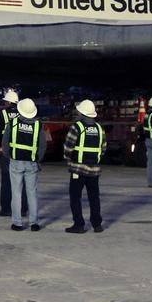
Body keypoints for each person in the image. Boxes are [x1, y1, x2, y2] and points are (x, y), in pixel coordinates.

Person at [3, 98, 45, 231]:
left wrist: (9, 155)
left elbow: (5, 142)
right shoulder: (38, 126)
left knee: (16, 193)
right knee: (32, 193)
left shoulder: (13, 123)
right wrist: (37, 160)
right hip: (32, 163)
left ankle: (17, 223)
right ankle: (34, 223)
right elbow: (43, 146)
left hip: (15, 162)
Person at [63, 99, 105, 234]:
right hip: (94, 169)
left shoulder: (76, 127)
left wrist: (69, 159)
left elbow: (68, 147)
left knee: (75, 197)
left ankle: (79, 225)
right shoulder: (99, 128)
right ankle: (97, 224)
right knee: (94, 198)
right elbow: (103, 148)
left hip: (77, 169)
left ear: (82, 113)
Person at [0, 89, 22, 217]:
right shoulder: (22, 114)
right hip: (21, 152)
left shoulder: (2, 114)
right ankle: (23, 208)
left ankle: (6, 209)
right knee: (21, 181)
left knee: (6, 181)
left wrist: (0, 146)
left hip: (7, 151)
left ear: (8, 101)